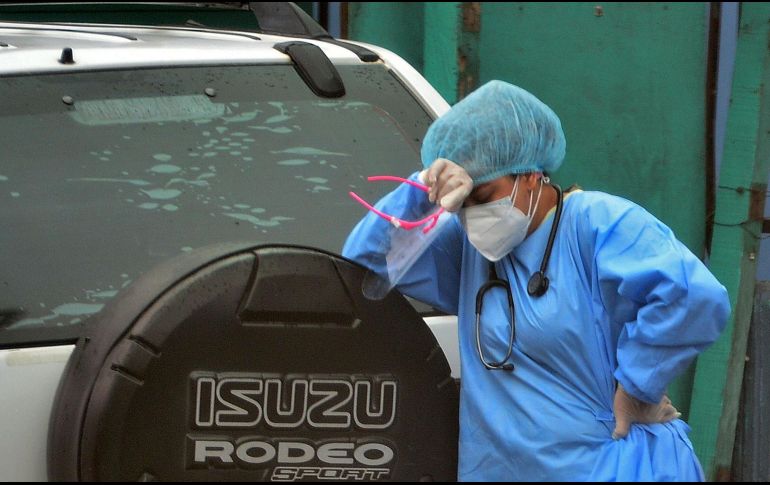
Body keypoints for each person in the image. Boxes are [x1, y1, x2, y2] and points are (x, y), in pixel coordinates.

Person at [342, 80, 730, 481]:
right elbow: (364, 263)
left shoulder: (594, 224)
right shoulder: (471, 251)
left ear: (531, 175)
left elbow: (692, 295)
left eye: (484, 194)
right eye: (462, 201)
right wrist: (423, 189)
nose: (472, 212)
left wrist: (636, 387)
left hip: (609, 465)